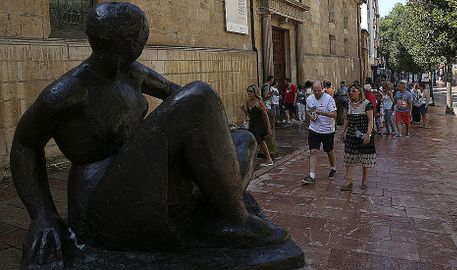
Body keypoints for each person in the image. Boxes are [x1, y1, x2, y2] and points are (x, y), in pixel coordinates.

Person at [10, 3, 287, 267]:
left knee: (244, 139)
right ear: (117, 41)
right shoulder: (68, 92)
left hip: (142, 180)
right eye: (138, 36)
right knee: (199, 94)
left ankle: (210, 208)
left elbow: (176, 94)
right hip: (102, 204)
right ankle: (235, 219)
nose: (143, 41)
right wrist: (42, 214)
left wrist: (202, 140)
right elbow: (25, 143)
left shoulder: (131, 73)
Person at [340, 84, 376, 191]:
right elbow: (347, 119)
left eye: (353, 91)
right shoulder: (349, 104)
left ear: (359, 92)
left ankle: (364, 180)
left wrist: (368, 134)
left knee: (365, 157)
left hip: (363, 133)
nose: (351, 93)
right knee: (349, 156)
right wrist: (343, 131)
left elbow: (370, 120)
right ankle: (349, 181)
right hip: (351, 134)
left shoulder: (367, 104)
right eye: (350, 91)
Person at [302, 81, 338, 184]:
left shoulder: (329, 99)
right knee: (313, 150)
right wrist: (311, 116)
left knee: (329, 150)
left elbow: (335, 114)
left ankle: (333, 168)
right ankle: (311, 175)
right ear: (312, 90)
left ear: (322, 88)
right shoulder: (309, 99)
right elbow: (308, 111)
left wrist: (324, 113)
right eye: (315, 90)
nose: (317, 92)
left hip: (327, 129)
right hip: (314, 128)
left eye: (319, 90)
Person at [241, 85, 274, 166]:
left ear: (255, 92)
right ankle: (265, 159)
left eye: (251, 91)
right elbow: (249, 114)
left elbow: (265, 115)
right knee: (258, 141)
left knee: (259, 141)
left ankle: (269, 160)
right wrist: (243, 110)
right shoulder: (248, 102)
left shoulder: (259, 103)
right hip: (252, 124)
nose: (249, 93)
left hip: (259, 124)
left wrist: (269, 128)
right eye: (248, 91)